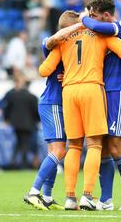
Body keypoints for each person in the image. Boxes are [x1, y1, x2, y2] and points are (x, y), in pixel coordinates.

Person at [39, 10, 121, 210]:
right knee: (94, 145)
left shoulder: (62, 40)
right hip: (92, 89)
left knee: (74, 146)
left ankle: (69, 198)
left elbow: (44, 70)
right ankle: (87, 196)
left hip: (69, 92)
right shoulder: (100, 35)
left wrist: (67, 70)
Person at [81, 0, 121, 210]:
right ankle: (105, 199)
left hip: (118, 91)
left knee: (115, 147)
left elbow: (93, 24)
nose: (91, 19)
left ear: (106, 15)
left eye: (94, 14)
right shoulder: (98, 36)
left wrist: (83, 19)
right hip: (99, 92)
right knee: (102, 146)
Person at [24, 21, 84, 210]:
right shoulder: (53, 43)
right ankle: (33, 192)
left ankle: (47, 196)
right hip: (53, 103)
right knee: (59, 151)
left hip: (63, 104)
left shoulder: (73, 49)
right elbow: (53, 40)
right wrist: (81, 24)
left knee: (55, 152)